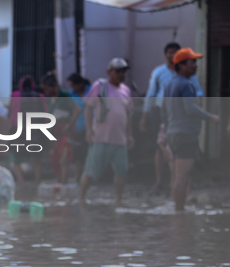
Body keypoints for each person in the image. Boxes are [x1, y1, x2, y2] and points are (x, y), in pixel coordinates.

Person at [140, 42, 205, 194]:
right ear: (165, 54)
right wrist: (145, 116)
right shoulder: (159, 72)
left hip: (181, 114)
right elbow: (151, 94)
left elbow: (199, 92)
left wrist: (196, 107)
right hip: (162, 112)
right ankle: (160, 181)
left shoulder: (188, 74)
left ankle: (182, 182)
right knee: (161, 145)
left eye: (175, 52)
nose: (172, 55)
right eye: (170, 52)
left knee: (182, 147)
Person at [162, 48, 219, 211]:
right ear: (181, 66)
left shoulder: (170, 84)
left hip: (174, 134)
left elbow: (163, 112)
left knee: (178, 177)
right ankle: (179, 214)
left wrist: (167, 132)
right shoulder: (186, 84)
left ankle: (178, 210)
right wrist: (211, 117)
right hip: (185, 135)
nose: (196, 65)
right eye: (192, 62)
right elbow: (191, 109)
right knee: (182, 177)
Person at [80, 58, 134, 205]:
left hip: (120, 139)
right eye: (118, 71)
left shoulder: (126, 90)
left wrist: (129, 135)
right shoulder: (100, 86)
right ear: (109, 72)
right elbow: (89, 108)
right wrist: (89, 131)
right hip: (100, 137)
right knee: (90, 170)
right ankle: (81, 199)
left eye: (123, 71)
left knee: (121, 171)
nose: (121, 74)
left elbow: (128, 114)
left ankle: (118, 200)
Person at [41, 73, 81, 184]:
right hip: (53, 132)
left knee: (64, 159)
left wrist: (69, 125)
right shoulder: (49, 99)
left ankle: (64, 184)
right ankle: (60, 184)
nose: (46, 92)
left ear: (54, 86)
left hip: (65, 131)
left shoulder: (64, 95)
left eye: (47, 89)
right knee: (55, 159)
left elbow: (77, 110)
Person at [9, 76, 46, 187]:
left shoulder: (15, 96)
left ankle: (22, 184)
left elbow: (12, 117)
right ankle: (37, 183)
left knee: (15, 160)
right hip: (35, 132)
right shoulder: (40, 96)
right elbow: (45, 116)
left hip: (19, 132)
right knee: (37, 159)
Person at [67, 73, 91, 182]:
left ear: (80, 84)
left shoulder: (91, 92)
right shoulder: (71, 94)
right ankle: (78, 177)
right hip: (76, 129)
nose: (72, 88)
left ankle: (89, 176)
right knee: (77, 154)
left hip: (90, 128)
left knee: (88, 153)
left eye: (74, 85)